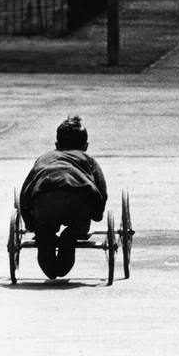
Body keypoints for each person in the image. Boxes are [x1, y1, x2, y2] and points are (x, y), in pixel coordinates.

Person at [19, 115, 108, 279]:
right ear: (86, 146)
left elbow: (26, 191)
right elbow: (101, 191)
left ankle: (46, 236)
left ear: (56, 145)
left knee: (45, 229)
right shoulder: (88, 160)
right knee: (77, 229)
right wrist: (96, 213)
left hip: (45, 201)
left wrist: (31, 223)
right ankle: (71, 235)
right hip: (77, 201)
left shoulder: (45, 158)